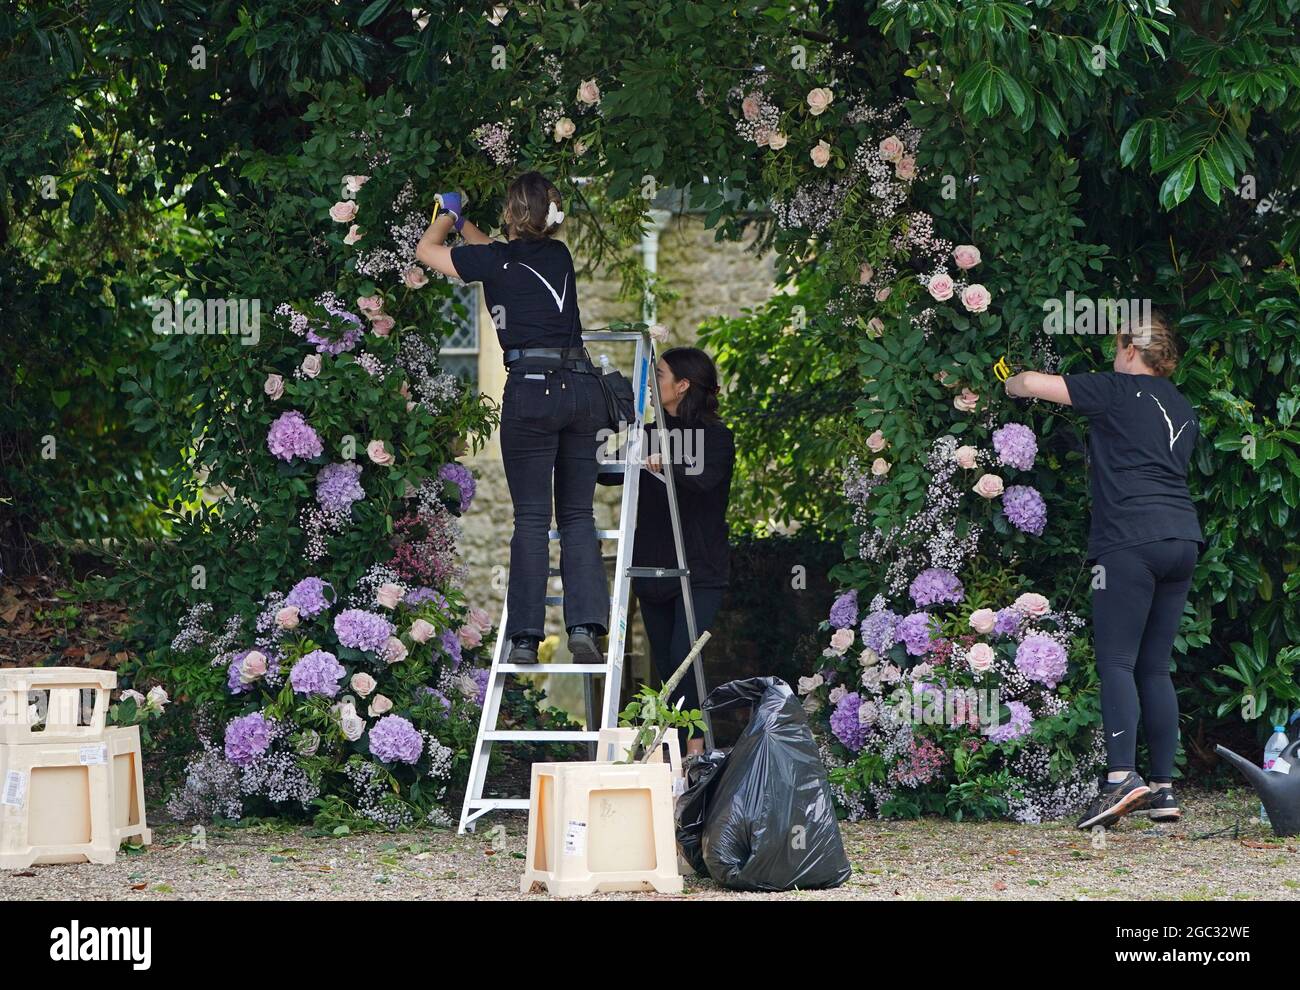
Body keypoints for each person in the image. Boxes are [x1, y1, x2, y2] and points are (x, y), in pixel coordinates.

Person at [1003, 312, 1202, 829]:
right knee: (1154, 667)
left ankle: (1119, 778)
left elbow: (1030, 384)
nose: (1113, 356)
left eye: (1117, 346)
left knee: (1116, 660)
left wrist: (1008, 380)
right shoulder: (1183, 405)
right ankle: (1162, 788)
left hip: (1130, 542)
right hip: (1182, 539)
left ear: (1132, 350)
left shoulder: (1116, 389)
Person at [416, 173, 609, 664]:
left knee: (530, 518)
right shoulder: (557, 257)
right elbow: (497, 253)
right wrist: (468, 225)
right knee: (578, 516)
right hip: (581, 387)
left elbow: (427, 252)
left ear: (512, 212)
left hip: (531, 390)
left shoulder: (494, 262)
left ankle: (525, 638)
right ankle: (585, 626)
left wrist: (446, 217)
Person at [628, 347, 734, 755]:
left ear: (683, 385)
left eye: (660, 375)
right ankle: (671, 751)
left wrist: (665, 462)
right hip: (653, 566)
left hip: (698, 567)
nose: (653, 384)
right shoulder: (647, 432)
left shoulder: (716, 436)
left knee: (682, 659)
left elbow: (705, 480)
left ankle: (696, 749)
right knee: (664, 666)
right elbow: (607, 472)